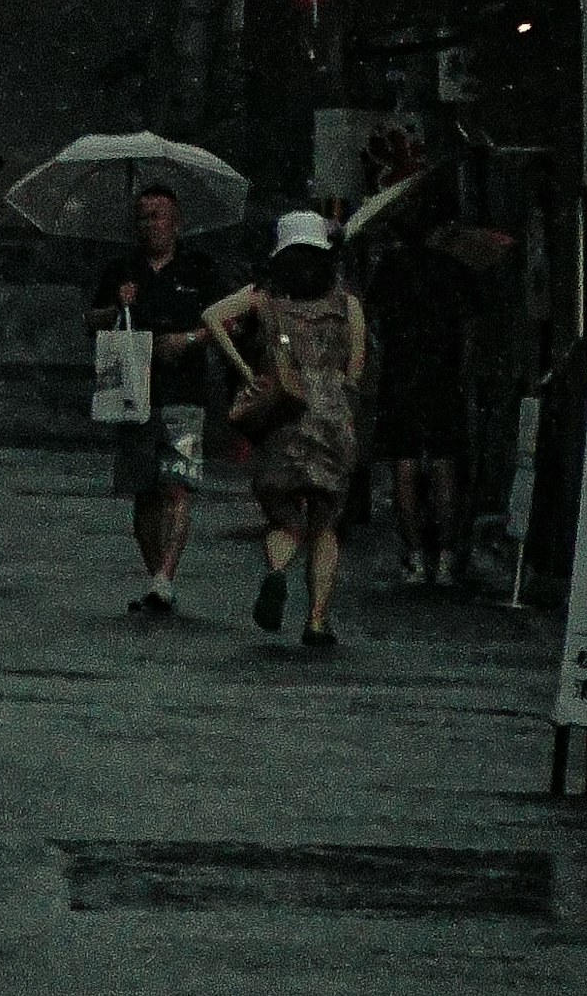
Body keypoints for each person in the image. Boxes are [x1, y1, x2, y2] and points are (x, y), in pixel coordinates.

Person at [204, 211, 368, 651]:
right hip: (332, 421)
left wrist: (245, 372)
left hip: (282, 421)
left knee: (284, 518)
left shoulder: (265, 297)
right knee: (326, 524)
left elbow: (212, 316)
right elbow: (356, 368)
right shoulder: (347, 304)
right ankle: (317, 620)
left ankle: (277, 572)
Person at [93, 174, 222, 622]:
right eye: (142, 217)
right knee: (144, 491)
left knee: (176, 483)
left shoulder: (199, 270)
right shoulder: (121, 269)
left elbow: (226, 322)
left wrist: (188, 340)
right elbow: (91, 320)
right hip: (133, 391)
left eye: (158, 217)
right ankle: (156, 580)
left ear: (176, 222)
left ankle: (166, 575)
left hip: (185, 392)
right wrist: (118, 305)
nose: (150, 225)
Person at [364, 179, 479, 592]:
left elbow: (374, 319)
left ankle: (413, 557)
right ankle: (446, 558)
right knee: (446, 462)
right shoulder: (454, 267)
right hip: (443, 374)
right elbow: (469, 328)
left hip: (400, 373)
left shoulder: (390, 267)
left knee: (405, 464)